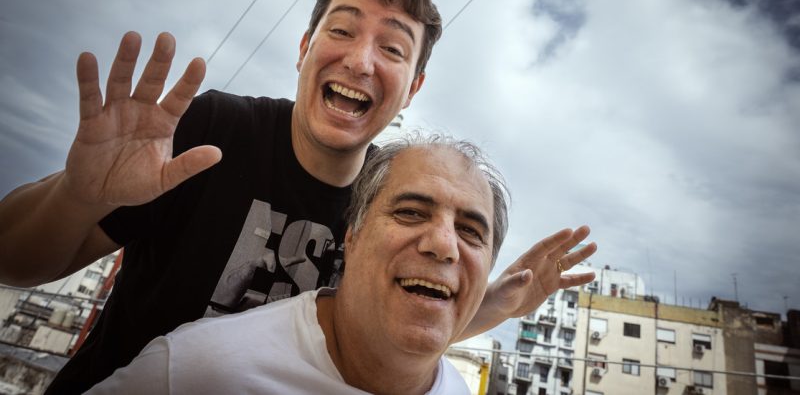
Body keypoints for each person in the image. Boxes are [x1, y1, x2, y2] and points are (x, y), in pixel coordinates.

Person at [0, 0, 597, 392]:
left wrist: (494, 303)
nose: (360, 60)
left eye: (392, 49)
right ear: (305, 48)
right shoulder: (216, 131)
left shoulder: (393, 204)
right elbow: (15, 262)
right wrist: (78, 194)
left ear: (413, 88)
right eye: (342, 30)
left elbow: (374, 338)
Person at [87, 135, 549, 394]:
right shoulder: (197, 371)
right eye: (410, 212)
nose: (445, 245)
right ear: (352, 236)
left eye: (471, 231)